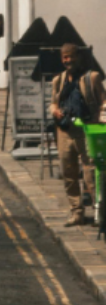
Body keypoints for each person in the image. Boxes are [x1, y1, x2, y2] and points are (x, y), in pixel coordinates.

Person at [52, 44, 106, 225]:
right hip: (65, 131)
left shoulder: (92, 77)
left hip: (87, 131)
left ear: (78, 57)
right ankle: (76, 213)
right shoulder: (58, 80)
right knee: (68, 173)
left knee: (91, 173)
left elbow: (104, 101)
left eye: (71, 56)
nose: (67, 60)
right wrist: (55, 111)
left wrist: (101, 117)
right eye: (64, 57)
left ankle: (100, 213)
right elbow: (53, 102)